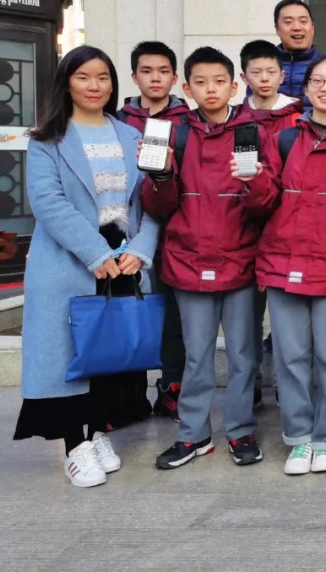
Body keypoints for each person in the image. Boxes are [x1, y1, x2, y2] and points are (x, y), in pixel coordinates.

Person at [14, 46, 159, 487]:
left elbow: (152, 202)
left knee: (108, 356)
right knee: (69, 360)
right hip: (71, 262)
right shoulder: (47, 139)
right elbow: (49, 203)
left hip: (124, 263)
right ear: (66, 83)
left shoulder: (133, 136)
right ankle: (74, 447)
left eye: (102, 77)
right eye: (83, 77)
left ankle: (98, 433)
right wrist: (96, 253)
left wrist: (141, 249)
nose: (94, 86)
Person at [143, 46, 271, 470]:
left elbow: (267, 203)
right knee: (196, 355)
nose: (210, 89)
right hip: (188, 260)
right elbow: (156, 206)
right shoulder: (169, 132)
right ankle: (192, 434)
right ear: (187, 87)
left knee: (243, 354)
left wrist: (256, 183)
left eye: (219, 82)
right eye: (200, 82)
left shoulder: (254, 132)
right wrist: (161, 175)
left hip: (242, 259)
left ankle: (240, 430)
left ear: (234, 86)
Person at [257, 56, 326, 475]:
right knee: (290, 357)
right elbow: (263, 202)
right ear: (304, 89)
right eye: (318, 81)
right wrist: (251, 180)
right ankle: (299, 437)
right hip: (284, 264)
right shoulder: (284, 139)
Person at [118, 40, 189, 421]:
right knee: (128, 314)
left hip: (175, 236)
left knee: (173, 319)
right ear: (134, 76)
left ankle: (171, 389)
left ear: (175, 78)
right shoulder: (118, 120)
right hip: (126, 238)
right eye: (147, 71)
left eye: (163, 71)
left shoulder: (188, 122)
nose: (155, 78)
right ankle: (126, 398)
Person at [239, 38, 303, 407]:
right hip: (241, 228)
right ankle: (249, 385)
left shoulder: (299, 116)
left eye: (271, 71)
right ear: (244, 77)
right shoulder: (235, 117)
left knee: (286, 322)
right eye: (256, 72)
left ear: (282, 75)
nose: (264, 78)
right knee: (247, 319)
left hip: (287, 231)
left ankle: (285, 385)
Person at [262, 0, 319, 110]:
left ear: (312, 28)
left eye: (303, 21)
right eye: (288, 22)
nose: (297, 27)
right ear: (277, 29)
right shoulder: (262, 68)